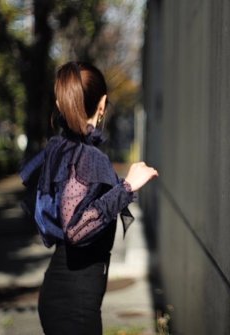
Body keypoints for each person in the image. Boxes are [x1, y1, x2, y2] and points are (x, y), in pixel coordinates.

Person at [20, 61, 158, 334]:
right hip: (74, 300)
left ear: (61, 105)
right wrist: (127, 187)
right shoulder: (85, 157)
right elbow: (75, 229)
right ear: (103, 104)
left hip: (66, 291)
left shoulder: (63, 148)